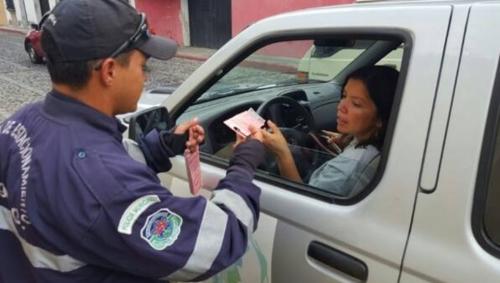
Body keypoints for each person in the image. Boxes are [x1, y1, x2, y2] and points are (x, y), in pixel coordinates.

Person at [0, 0, 265, 282]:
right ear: (110, 71)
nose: (144, 77)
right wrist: (244, 164)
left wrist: (164, 145)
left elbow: (97, 162)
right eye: (143, 66)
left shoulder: (20, 122)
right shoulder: (106, 186)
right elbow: (219, 240)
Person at [261, 65, 399, 197]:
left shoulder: (344, 170)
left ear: (380, 119)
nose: (341, 106)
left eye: (356, 104)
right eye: (344, 96)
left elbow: (306, 203)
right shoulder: (378, 145)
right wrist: (348, 141)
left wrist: (282, 153)